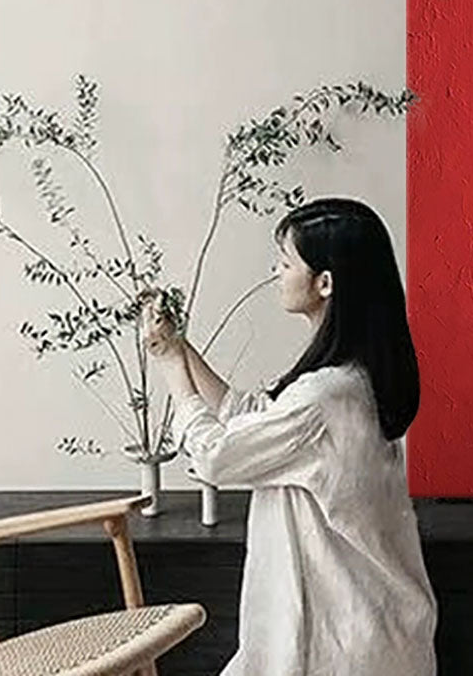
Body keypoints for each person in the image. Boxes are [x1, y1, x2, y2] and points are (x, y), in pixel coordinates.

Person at [142, 197, 439, 676]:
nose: (275, 273)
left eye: (285, 263)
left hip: (342, 642)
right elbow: (254, 417)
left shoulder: (324, 397)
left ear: (325, 283)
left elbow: (218, 456)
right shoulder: (350, 379)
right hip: (370, 628)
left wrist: (170, 368)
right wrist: (178, 346)